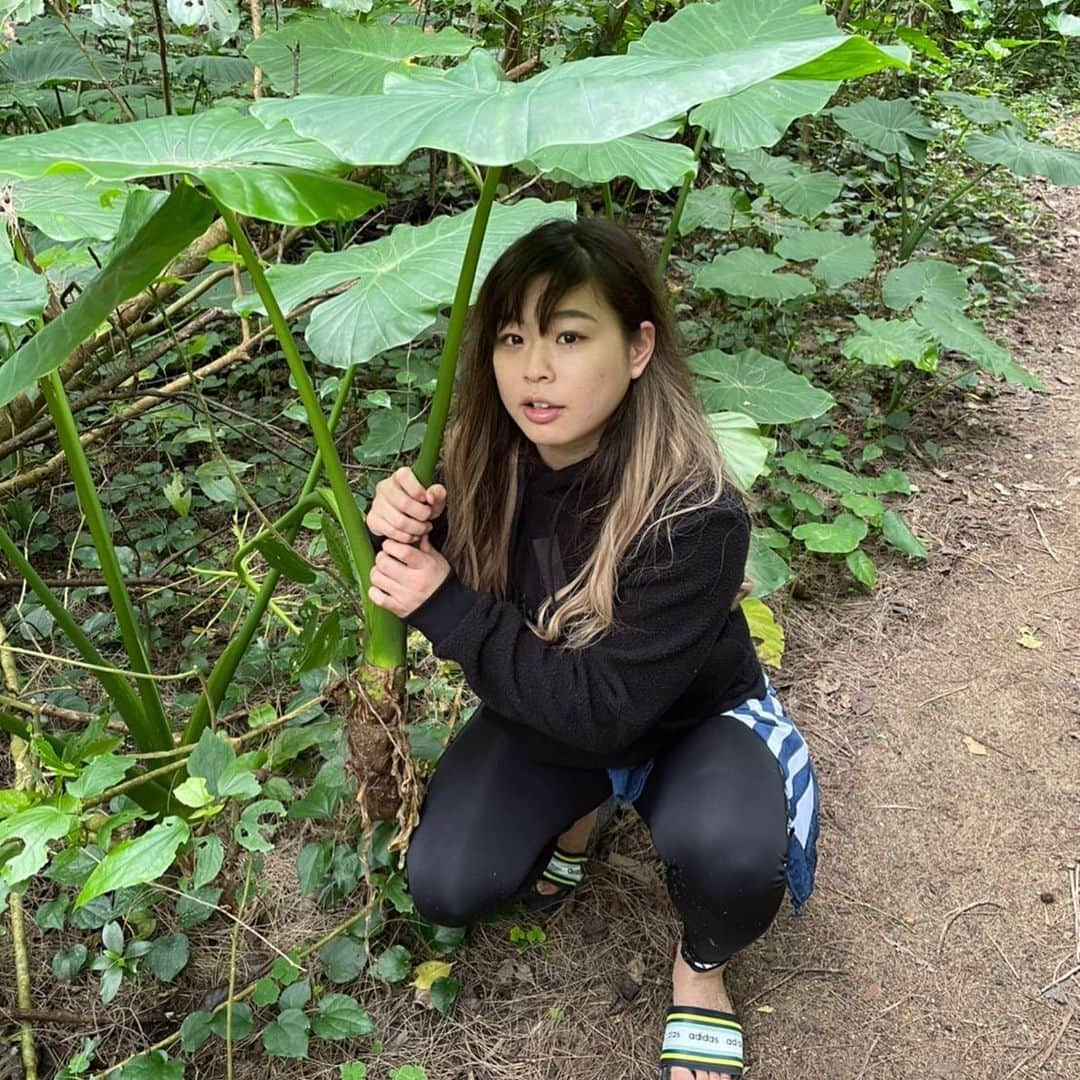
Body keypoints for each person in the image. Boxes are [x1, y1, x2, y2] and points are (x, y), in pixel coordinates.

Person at [365, 217, 819, 1080]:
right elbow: (423, 564)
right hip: (547, 712)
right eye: (512, 338)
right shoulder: (484, 462)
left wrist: (444, 603)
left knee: (732, 862)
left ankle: (702, 972)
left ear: (639, 346)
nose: (535, 369)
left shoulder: (697, 511)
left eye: (569, 336)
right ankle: (588, 806)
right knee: (448, 883)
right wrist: (393, 522)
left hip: (690, 723)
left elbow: (605, 705)